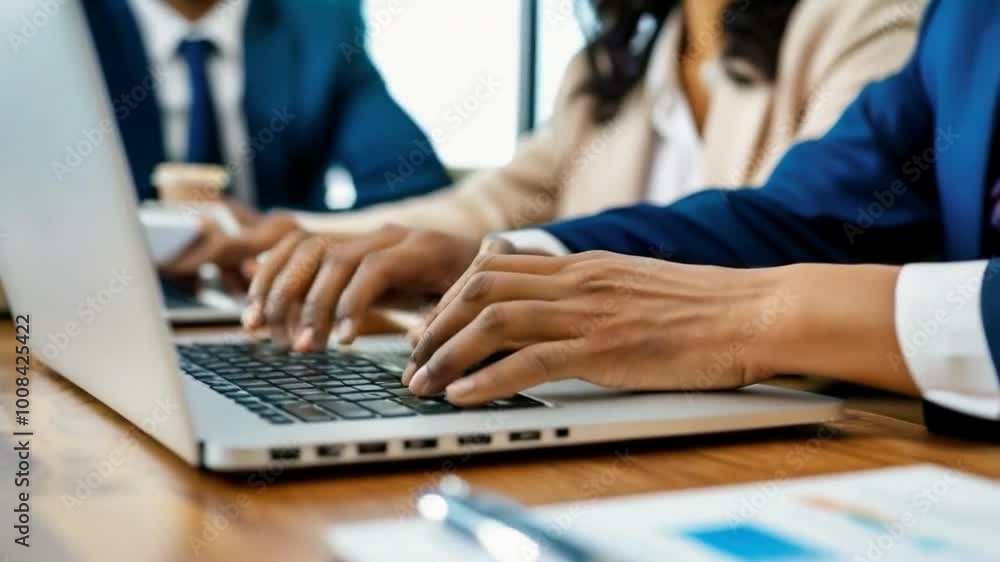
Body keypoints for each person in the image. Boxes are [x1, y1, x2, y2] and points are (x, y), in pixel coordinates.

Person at [246, 0, 1000, 437]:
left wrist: (755, 313)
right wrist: (525, 261)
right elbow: (811, 215)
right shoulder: (964, 18)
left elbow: (832, 265)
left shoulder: (869, 15)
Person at [288, 0, 922, 243]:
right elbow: (483, 210)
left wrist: (545, 262)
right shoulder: (609, 71)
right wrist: (292, 237)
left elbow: (804, 232)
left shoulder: (861, 19)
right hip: (608, 410)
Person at [83, 0, 449, 273]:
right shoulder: (71, 25)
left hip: (269, 312)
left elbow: (414, 188)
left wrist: (293, 236)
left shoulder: (320, 22)